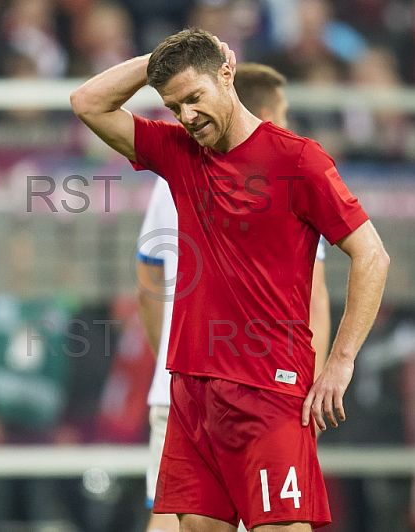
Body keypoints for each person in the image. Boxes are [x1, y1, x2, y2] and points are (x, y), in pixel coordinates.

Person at [71, 29, 389, 531]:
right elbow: (87, 101)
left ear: (227, 72)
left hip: (269, 392)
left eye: (194, 98)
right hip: (193, 392)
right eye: (175, 108)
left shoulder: (299, 160)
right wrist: (157, 59)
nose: (188, 117)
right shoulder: (178, 153)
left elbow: (371, 255)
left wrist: (341, 361)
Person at [135, 62, 331, 532]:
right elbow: (316, 300)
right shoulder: (292, 170)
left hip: (179, 389)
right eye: (282, 114)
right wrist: (308, 391)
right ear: (265, 112)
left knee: (175, 522)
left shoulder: (172, 174)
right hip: (264, 389)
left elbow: (146, 281)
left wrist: (170, 353)